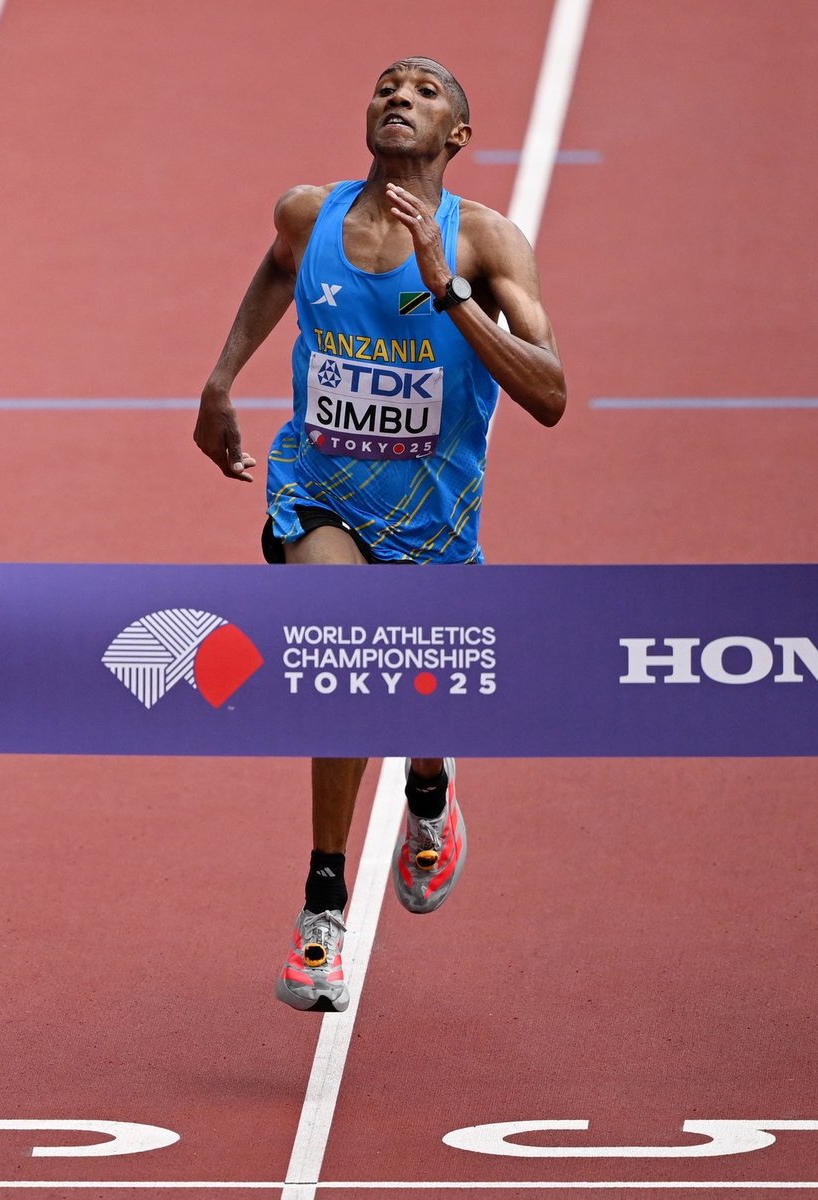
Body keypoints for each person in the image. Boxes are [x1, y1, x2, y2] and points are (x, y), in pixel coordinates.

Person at [193, 57, 566, 1012]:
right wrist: (223, 378)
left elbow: (550, 394)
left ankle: (431, 789)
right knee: (342, 656)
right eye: (388, 85)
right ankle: (323, 911)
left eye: (427, 91)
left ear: (458, 137)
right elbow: (277, 274)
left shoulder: (486, 242)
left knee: (415, 692)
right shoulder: (306, 214)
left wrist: (448, 291)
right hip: (316, 490)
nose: (400, 96)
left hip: (433, 521)